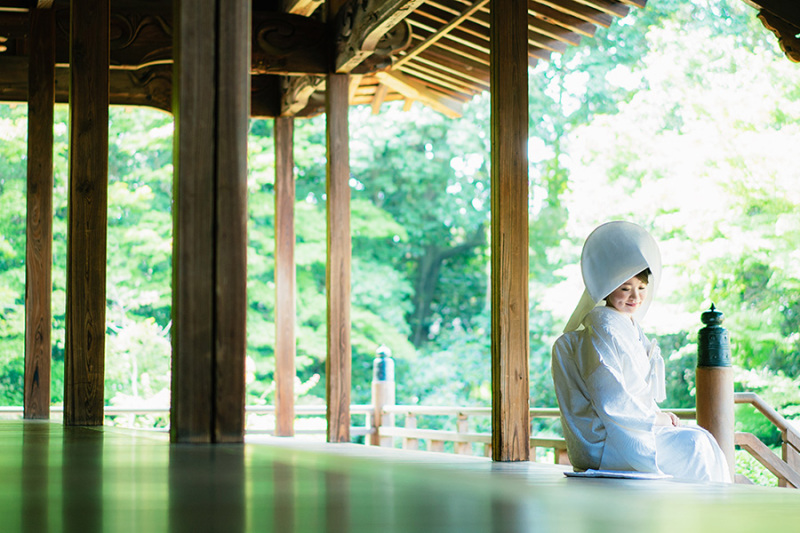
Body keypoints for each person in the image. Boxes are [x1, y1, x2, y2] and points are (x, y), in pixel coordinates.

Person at [551, 221, 731, 482]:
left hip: (632, 426)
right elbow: (610, 395)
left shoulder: (629, 325)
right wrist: (654, 419)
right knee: (695, 445)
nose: (635, 296)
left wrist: (657, 415)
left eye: (642, 288)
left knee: (702, 439)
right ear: (607, 286)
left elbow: (635, 391)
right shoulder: (603, 325)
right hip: (610, 438)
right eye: (625, 288)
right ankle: (703, 513)